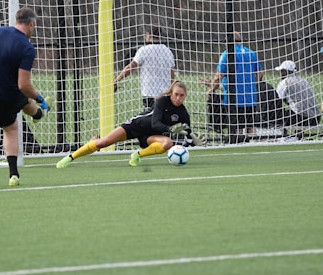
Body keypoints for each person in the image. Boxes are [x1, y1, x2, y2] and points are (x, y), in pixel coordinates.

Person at [0, 7, 51, 187]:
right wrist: (41, 99)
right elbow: (24, 85)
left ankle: (37, 116)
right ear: (31, 24)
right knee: (14, 124)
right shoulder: (27, 48)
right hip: (9, 93)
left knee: (19, 108)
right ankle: (38, 114)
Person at [55, 81, 206, 169]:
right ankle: (70, 157)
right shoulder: (162, 101)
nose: (178, 98)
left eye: (182, 95)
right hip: (135, 126)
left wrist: (193, 142)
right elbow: (155, 122)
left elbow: (188, 132)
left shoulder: (183, 113)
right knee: (103, 142)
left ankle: (137, 155)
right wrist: (169, 129)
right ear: (171, 93)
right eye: (176, 94)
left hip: (150, 136)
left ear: (185, 96)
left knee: (168, 143)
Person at [205, 31, 263, 135]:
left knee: (237, 129)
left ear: (228, 42)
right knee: (251, 127)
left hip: (234, 99)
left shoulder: (227, 54)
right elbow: (260, 72)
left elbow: (218, 76)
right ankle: (254, 146)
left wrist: (212, 89)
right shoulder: (251, 53)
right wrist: (251, 84)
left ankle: (238, 145)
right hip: (251, 98)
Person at [114, 26, 175, 111]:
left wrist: (117, 79)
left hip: (150, 94)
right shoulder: (168, 51)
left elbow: (130, 68)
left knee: (150, 119)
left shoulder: (144, 50)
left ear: (148, 35)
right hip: (165, 94)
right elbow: (172, 74)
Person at [274, 60, 320, 128]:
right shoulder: (304, 81)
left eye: (282, 71)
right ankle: (298, 135)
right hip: (316, 118)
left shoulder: (285, 82)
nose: (281, 74)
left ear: (287, 71)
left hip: (300, 118)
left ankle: (283, 136)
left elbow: (277, 100)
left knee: (277, 115)